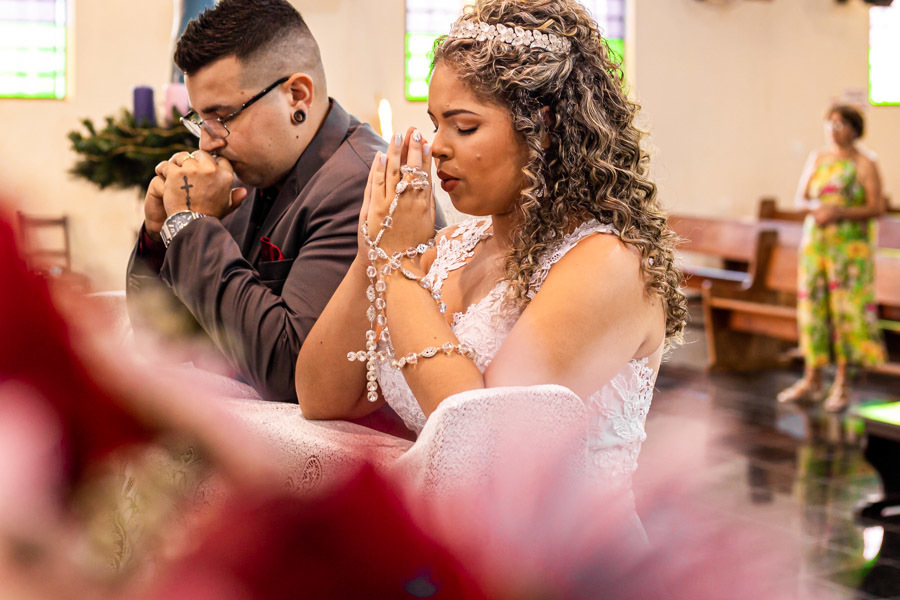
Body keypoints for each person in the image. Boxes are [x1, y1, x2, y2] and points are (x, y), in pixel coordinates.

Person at [295, 0, 687, 491]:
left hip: (562, 559)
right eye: (436, 123)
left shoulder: (608, 264)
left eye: (464, 126)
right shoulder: (451, 247)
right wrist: (371, 252)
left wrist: (397, 271)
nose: (437, 145)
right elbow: (321, 397)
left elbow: (482, 447)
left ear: (542, 128)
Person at [126, 0, 388, 403]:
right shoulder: (249, 169)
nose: (207, 141)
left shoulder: (363, 186)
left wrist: (192, 226)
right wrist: (159, 236)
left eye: (222, 116)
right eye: (199, 119)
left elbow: (286, 372)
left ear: (297, 97)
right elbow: (159, 337)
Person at [777, 105, 887, 411]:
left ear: (854, 129)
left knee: (846, 313)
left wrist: (839, 211)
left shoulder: (865, 162)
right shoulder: (818, 158)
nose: (834, 130)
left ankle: (842, 383)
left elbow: (877, 207)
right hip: (816, 244)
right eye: (830, 123)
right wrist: (816, 208)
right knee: (812, 308)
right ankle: (811, 379)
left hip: (850, 251)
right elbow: (801, 199)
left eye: (840, 124)